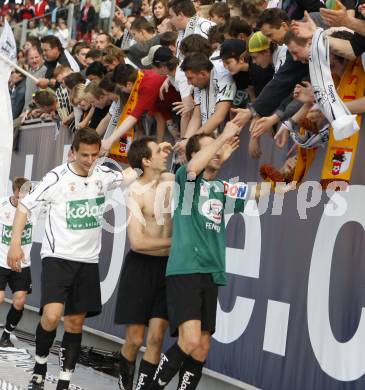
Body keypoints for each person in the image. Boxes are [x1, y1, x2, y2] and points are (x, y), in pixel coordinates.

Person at [7, 128, 136, 390]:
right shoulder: (57, 178)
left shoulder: (103, 175)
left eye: (94, 155)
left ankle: (64, 380)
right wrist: (15, 243)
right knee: (52, 317)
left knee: (76, 323)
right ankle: (40, 367)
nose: (89, 160)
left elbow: (133, 173)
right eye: (84, 155)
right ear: (72, 152)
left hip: (87, 262)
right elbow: (25, 205)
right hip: (58, 258)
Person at [148, 121, 246, 390]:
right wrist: (222, 136)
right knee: (189, 341)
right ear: (194, 155)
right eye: (209, 149)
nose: (216, 152)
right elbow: (194, 169)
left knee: (201, 347)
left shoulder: (221, 187)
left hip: (211, 272)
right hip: (187, 269)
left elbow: (256, 193)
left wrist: (287, 182)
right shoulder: (185, 180)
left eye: (218, 149)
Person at [115, 137, 174, 390]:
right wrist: (177, 243)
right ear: (146, 161)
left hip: (168, 268)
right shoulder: (135, 193)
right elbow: (137, 242)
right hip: (140, 268)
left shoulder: (172, 181)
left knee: (157, 337)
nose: (165, 153)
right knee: (135, 338)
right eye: (158, 151)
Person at [0, 177, 33, 348]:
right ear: (15, 192)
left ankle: (6, 335)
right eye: (21, 194)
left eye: (27, 194)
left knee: (19, 301)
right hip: (1, 260)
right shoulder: (2, 204)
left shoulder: (34, 207)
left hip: (22, 264)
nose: (24, 198)